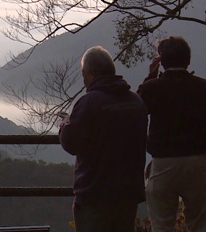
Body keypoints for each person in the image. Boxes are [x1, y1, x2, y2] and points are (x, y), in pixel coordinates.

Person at [138, 36, 206, 232]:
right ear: (188, 60)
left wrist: (150, 78)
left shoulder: (152, 88)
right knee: (201, 225)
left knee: (162, 224)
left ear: (161, 61)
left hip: (163, 164)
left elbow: (136, 111)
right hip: (198, 161)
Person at [59, 46, 147, 232]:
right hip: (128, 192)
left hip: (94, 193)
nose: (83, 79)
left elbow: (71, 143)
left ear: (91, 73)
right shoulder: (135, 102)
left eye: (84, 74)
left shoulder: (89, 102)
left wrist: (64, 125)